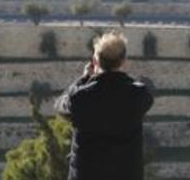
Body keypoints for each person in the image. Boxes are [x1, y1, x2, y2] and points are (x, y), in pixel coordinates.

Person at [55, 31, 154, 179]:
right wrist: (121, 76)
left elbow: (60, 106)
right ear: (124, 61)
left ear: (95, 62)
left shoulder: (80, 98)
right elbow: (137, 87)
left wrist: (83, 79)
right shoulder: (138, 96)